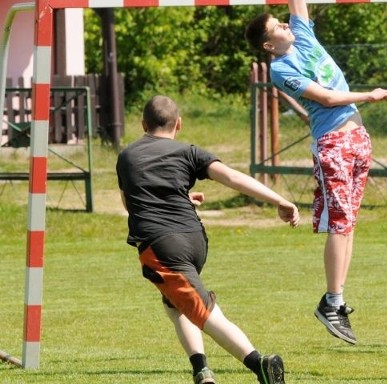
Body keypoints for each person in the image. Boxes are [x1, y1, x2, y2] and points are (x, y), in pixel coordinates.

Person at [232, 0, 387, 345]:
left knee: (349, 224)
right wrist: (368, 95)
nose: (287, 26)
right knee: (339, 226)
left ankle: (336, 301)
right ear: (269, 45)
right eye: (278, 28)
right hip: (335, 146)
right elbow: (325, 98)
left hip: (357, 139)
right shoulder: (281, 68)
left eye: (284, 23)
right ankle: (332, 301)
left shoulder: (303, 36)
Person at [116, 95, 300, 384]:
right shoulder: (188, 151)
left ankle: (258, 363)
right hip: (194, 239)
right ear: (179, 124)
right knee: (174, 304)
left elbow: (132, 202)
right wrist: (279, 200)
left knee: (202, 310)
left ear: (143, 124)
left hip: (162, 246)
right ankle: (201, 370)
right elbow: (232, 177)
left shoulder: (127, 156)